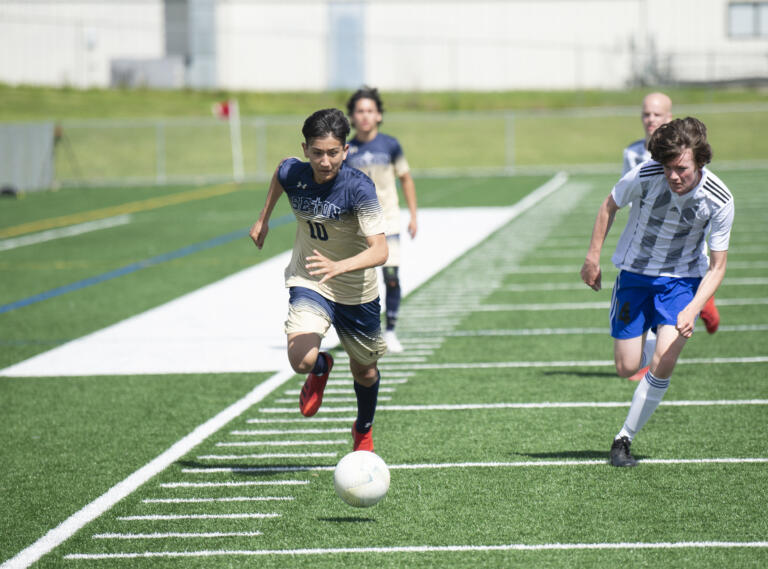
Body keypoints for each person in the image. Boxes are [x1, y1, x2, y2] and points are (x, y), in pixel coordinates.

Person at [581, 117, 734, 467]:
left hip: (681, 282)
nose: (673, 176)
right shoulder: (647, 175)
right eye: (668, 168)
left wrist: (694, 306)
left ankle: (623, 440)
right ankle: (654, 338)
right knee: (626, 366)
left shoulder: (719, 199)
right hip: (634, 276)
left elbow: (718, 265)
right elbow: (610, 205)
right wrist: (592, 258)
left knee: (664, 362)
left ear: (700, 161)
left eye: (681, 168)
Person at [249, 108, 388, 452]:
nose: (324, 161)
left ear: (346, 150)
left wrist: (341, 267)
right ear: (306, 148)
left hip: (356, 291)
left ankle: (363, 429)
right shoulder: (294, 172)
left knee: (365, 372)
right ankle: (321, 366)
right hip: (310, 278)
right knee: (302, 361)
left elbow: (380, 251)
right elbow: (280, 172)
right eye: (317, 152)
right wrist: (263, 218)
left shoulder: (359, 189)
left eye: (332, 153)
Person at [622, 94, 720, 382]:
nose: (650, 120)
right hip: (650, 239)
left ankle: (703, 303)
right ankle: (646, 359)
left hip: (684, 242)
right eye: (646, 115)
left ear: (669, 117)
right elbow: (626, 192)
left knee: (674, 294)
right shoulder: (632, 153)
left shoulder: (686, 150)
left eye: (657, 115)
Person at [345, 86, 418, 354]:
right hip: (357, 226)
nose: (365, 116)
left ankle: (390, 331)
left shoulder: (390, 145)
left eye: (370, 111)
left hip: (388, 222)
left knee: (391, 277)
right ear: (352, 117)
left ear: (378, 115)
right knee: (359, 282)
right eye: (360, 111)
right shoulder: (346, 149)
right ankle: (363, 331)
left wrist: (413, 215)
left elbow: (405, 178)